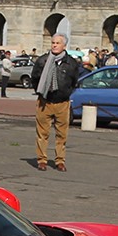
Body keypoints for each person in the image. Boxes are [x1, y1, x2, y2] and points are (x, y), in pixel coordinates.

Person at [31, 32, 82, 171]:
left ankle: (60, 160)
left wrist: (66, 93)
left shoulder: (71, 63)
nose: (54, 45)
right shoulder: (42, 61)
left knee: (62, 134)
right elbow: (34, 78)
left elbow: (74, 81)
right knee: (42, 133)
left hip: (62, 103)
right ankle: (42, 160)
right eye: (53, 42)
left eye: (57, 43)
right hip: (45, 101)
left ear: (64, 45)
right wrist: (41, 91)